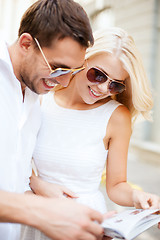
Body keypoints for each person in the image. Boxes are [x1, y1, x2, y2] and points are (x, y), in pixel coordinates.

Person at [21, 27, 160, 240]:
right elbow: (13, 160)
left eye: (115, 85)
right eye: (98, 75)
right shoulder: (40, 99)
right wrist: (36, 183)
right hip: (39, 215)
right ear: (82, 60)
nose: (103, 88)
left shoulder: (117, 117)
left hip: (88, 223)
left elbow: (115, 186)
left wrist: (137, 196)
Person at [0, 0, 107, 239]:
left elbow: (11, 180)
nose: (64, 83)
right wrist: (40, 211)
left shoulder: (34, 96)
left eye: (72, 72)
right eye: (58, 69)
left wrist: (74, 217)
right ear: (26, 44)